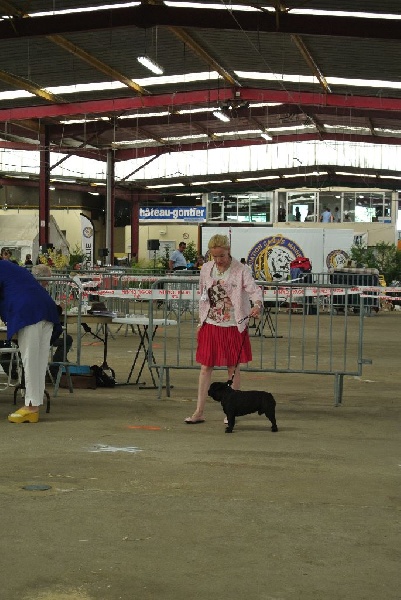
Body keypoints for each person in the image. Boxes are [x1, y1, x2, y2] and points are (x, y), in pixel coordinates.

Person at [185, 234, 263, 424]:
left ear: (228, 251)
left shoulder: (241, 269)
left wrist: (257, 304)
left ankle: (231, 413)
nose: (218, 260)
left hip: (233, 325)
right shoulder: (206, 268)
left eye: (222, 255)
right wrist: (200, 322)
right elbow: (203, 296)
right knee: (205, 368)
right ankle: (199, 412)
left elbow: (254, 290)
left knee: (232, 368)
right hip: (211, 324)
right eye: (214, 256)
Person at [0, 260, 62, 423]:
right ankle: (34, 405)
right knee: (38, 361)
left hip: (28, 310)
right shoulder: (10, 267)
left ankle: (31, 407)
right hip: (46, 308)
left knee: (30, 359)